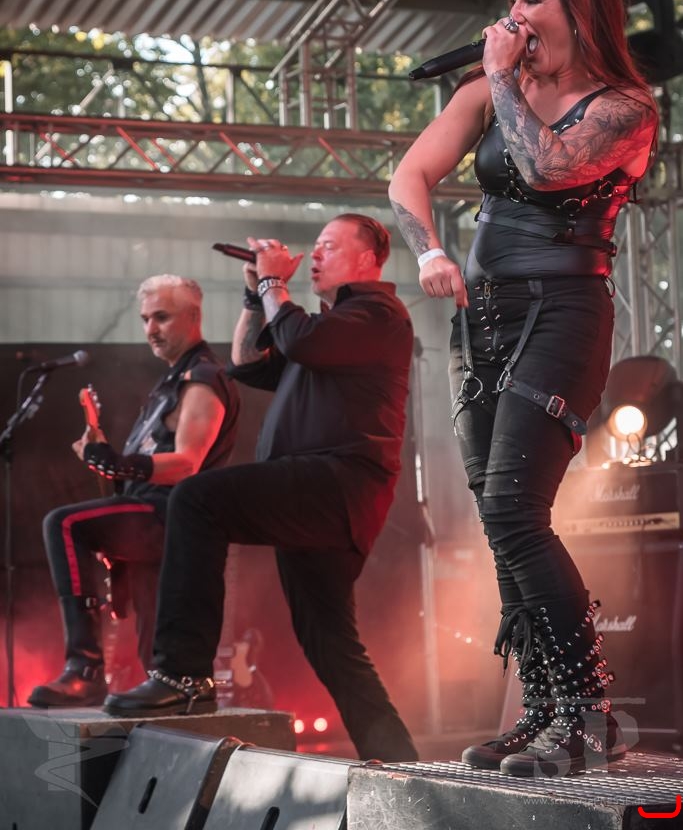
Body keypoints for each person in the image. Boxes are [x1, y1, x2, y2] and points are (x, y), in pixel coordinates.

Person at [388, 0, 658, 777]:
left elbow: (544, 169)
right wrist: (430, 249)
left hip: (563, 313)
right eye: (511, 0)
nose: (514, 16)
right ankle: (542, 708)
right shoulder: (484, 91)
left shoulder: (624, 107)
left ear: (579, 7)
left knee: (513, 508)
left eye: (531, 0)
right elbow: (407, 176)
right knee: (495, 518)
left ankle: (588, 715)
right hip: (482, 321)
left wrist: (500, 76)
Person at [102, 214, 419, 764]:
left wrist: (274, 283)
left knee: (197, 499)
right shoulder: (324, 330)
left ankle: (182, 674)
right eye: (315, 246)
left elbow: (301, 340)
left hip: (335, 483)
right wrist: (256, 294)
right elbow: (247, 364)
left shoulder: (377, 314)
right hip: (318, 497)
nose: (314, 255)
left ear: (368, 258)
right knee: (330, 644)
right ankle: (400, 764)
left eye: (328, 245)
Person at [28, 275, 240, 708]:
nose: (151, 329)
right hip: (150, 517)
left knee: (65, 524)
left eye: (161, 317)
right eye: (145, 319)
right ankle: (173, 711)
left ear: (194, 316)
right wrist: (103, 456)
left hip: (169, 517)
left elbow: (187, 464)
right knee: (156, 659)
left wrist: (115, 461)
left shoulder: (203, 377)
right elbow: (135, 473)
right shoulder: (170, 382)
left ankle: (85, 669)